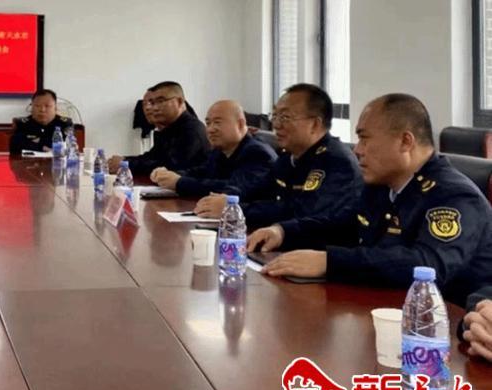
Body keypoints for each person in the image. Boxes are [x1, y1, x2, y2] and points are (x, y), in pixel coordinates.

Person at [247, 93, 492, 309]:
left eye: (365, 139)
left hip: (449, 327)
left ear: (405, 142)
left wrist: (330, 262)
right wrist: (283, 232)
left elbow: (427, 265)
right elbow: (343, 225)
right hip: (385, 307)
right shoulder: (382, 186)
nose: (357, 150)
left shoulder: (455, 196)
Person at [194, 84, 363, 230]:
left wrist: (235, 210)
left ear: (315, 124)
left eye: (285, 117)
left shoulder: (336, 161)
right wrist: (227, 199)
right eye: (275, 116)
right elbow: (257, 189)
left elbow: (301, 212)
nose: (276, 125)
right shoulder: (289, 156)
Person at [149, 100, 276, 198]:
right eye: (208, 123)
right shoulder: (220, 150)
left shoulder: (257, 153)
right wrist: (170, 175)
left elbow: (233, 187)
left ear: (240, 124)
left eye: (217, 122)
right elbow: (202, 172)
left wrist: (179, 182)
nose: (210, 129)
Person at [108, 81, 210, 175]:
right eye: (153, 103)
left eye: (160, 101)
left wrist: (126, 164)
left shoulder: (192, 130)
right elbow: (152, 157)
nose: (154, 108)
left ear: (179, 101)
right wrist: (124, 160)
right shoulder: (169, 128)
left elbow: (170, 167)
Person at [9, 89, 74, 155]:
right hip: (28, 161)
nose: (42, 110)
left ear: (55, 108)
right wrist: (42, 147)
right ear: (32, 107)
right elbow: (16, 147)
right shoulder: (23, 124)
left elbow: (66, 146)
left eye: (47, 106)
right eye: (37, 106)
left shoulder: (64, 124)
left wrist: (37, 142)